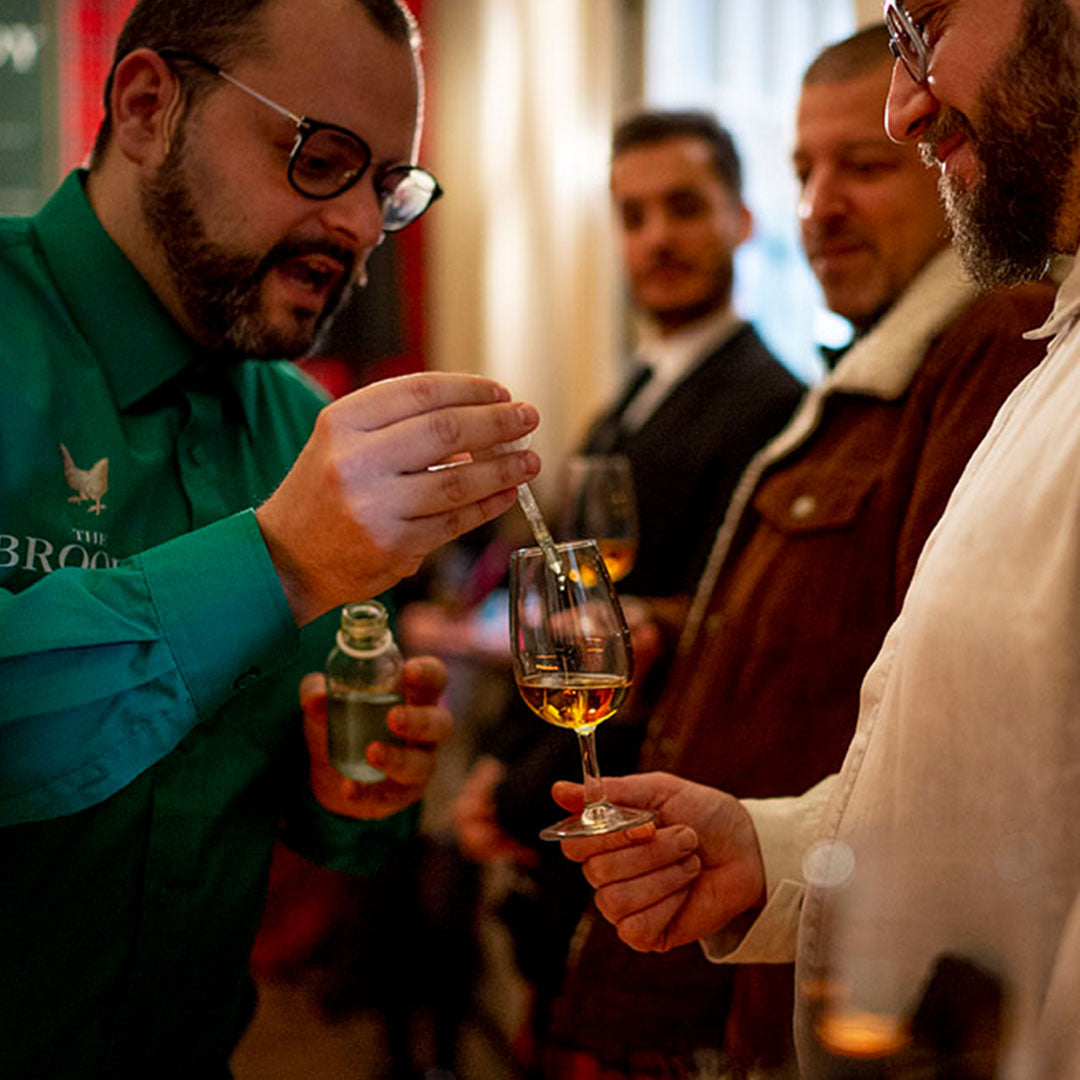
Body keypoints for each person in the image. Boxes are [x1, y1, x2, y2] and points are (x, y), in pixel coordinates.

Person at [0, 0, 542, 1076]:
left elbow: (306, 813)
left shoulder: (304, 432)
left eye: (388, 189)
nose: (357, 226)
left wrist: (358, 789)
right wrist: (276, 562)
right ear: (150, 106)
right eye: (322, 158)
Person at [557, 2, 1080, 1076]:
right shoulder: (1050, 344)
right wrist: (772, 851)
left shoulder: (983, 347)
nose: (906, 108)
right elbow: (966, 767)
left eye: (923, 24)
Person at [444, 108, 804, 1053]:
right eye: (633, 215)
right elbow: (561, 624)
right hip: (565, 818)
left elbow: (703, 642)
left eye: (684, 207)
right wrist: (496, 766)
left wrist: (521, 795)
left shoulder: (776, 406)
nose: (656, 239)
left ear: (740, 217)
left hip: (659, 845)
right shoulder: (624, 404)